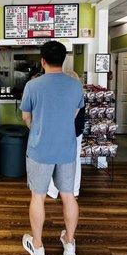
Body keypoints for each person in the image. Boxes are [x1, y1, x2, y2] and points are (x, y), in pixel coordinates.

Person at [20, 41, 84, 255]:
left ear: (42, 61)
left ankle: (37, 247)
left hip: (40, 149)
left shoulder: (33, 86)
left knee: (38, 196)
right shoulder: (75, 85)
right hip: (66, 147)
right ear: (64, 60)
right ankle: (69, 242)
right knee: (68, 195)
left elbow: (26, 117)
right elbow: (74, 115)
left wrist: (38, 129)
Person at [47, 70, 85, 198]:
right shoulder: (79, 94)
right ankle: (74, 190)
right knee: (75, 161)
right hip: (77, 133)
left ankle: (53, 191)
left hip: (61, 132)